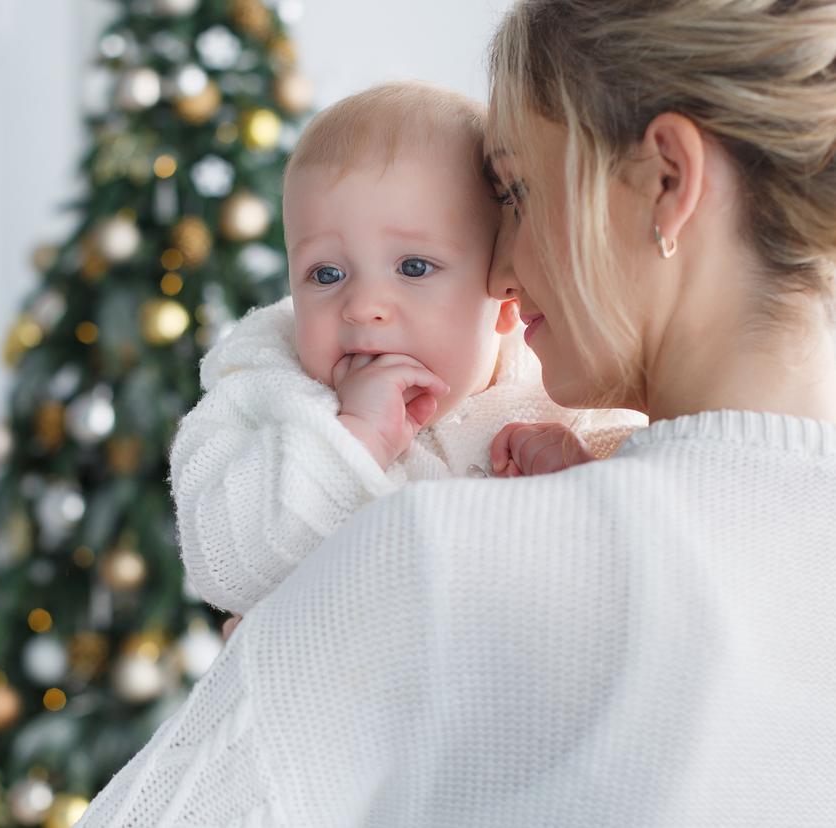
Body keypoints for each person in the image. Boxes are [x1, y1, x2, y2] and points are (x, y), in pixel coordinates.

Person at [77, 1, 836, 825]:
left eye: (518, 190)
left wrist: (310, 643)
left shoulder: (438, 555)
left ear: (668, 179)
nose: (501, 273)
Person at [170, 81, 642, 617]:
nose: (363, 305)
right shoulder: (264, 394)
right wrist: (355, 438)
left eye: (414, 268)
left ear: (505, 294)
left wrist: (576, 492)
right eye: (326, 274)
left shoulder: (562, 400)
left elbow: (614, 594)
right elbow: (226, 565)